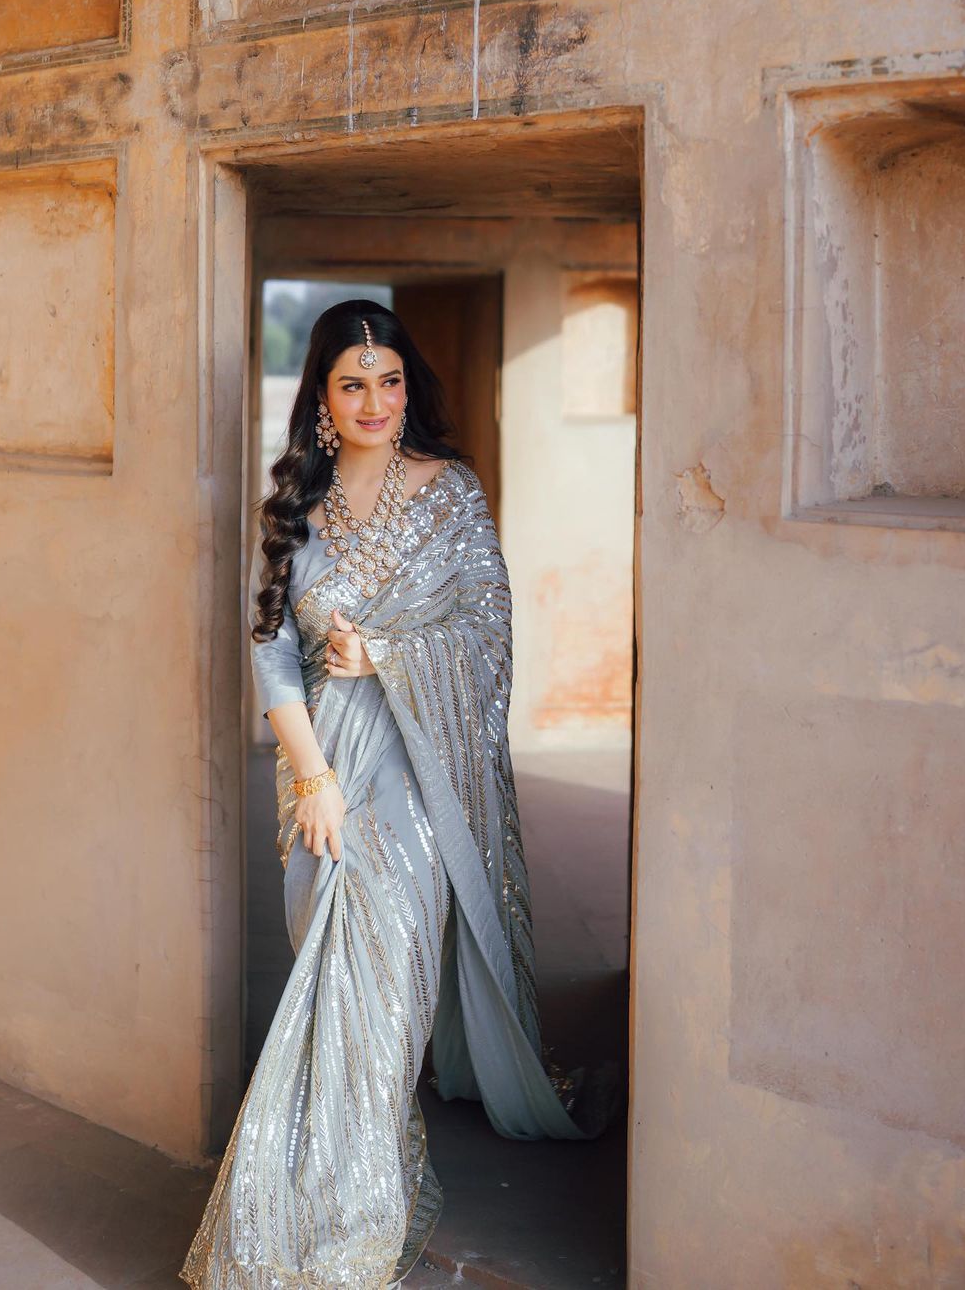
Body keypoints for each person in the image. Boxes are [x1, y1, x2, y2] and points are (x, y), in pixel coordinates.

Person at [180, 299, 617, 1290]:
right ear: (323, 402)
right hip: (323, 779)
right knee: (323, 979)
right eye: (352, 383)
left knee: (382, 990)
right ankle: (303, 1187)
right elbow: (274, 657)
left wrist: (389, 651)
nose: (376, 400)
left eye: (390, 380)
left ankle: (346, 1209)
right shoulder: (296, 505)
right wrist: (313, 779)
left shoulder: (448, 493)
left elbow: (487, 632)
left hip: (421, 782)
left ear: (407, 388)